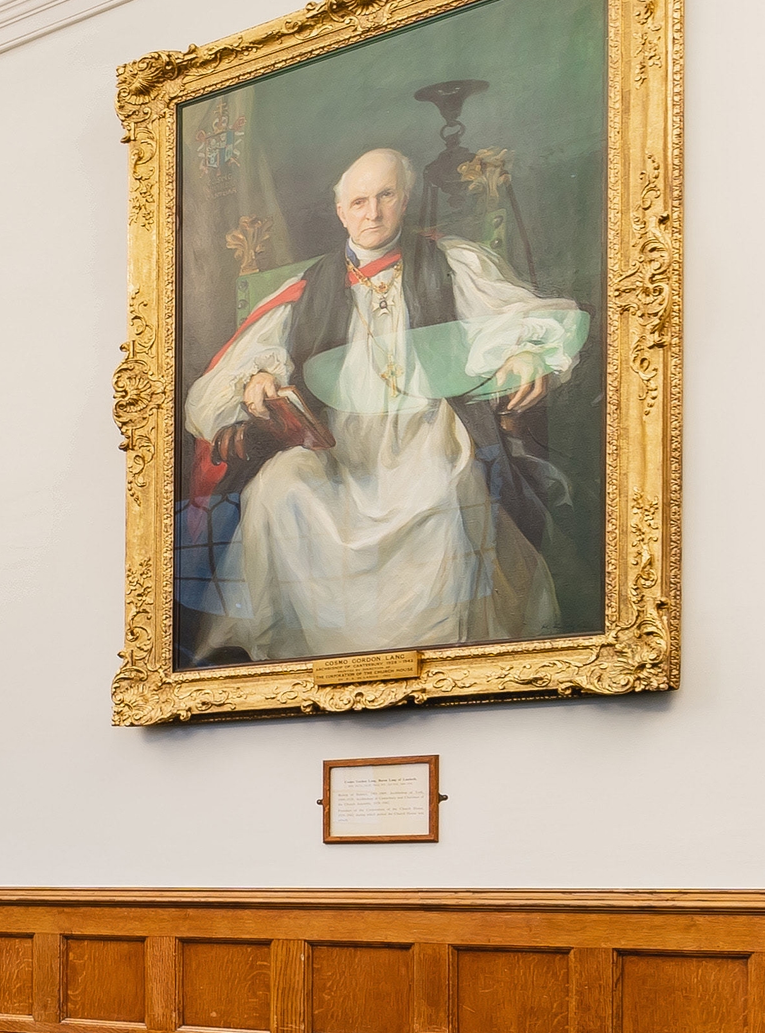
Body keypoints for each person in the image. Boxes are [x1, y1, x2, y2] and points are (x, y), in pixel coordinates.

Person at [181, 146, 586, 661]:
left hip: (425, 428)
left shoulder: (449, 263)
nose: (371, 213)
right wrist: (256, 379)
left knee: (439, 488)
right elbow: (237, 371)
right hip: (338, 444)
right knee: (278, 489)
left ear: (406, 198)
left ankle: (436, 655)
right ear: (340, 211)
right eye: (358, 202)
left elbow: (519, 322)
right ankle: (301, 651)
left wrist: (527, 354)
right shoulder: (308, 288)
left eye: (384, 196)